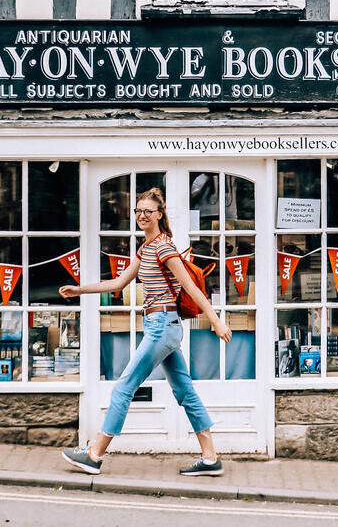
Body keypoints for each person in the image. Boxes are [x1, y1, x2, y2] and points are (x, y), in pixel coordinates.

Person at [59, 187, 231, 477]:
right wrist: (79, 289)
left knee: (124, 387)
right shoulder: (145, 249)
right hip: (161, 327)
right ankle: (210, 457)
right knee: (185, 391)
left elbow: (191, 287)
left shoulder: (164, 247)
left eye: (148, 211)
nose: (141, 215)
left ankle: (94, 454)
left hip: (163, 327)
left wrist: (216, 320)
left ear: (159, 215)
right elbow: (118, 284)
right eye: (138, 211)